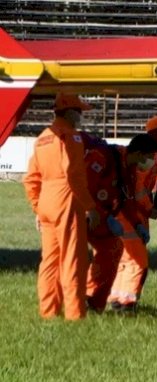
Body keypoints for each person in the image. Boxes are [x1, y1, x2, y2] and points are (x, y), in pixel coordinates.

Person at [23, 93, 100, 320]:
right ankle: (75, 314)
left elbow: (31, 179)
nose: (81, 116)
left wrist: (38, 208)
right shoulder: (72, 137)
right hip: (66, 199)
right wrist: (90, 206)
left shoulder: (42, 138)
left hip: (46, 200)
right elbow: (74, 175)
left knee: (50, 261)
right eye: (79, 111)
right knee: (73, 259)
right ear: (69, 112)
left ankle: (48, 312)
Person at [84, 134, 157, 313]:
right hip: (83, 212)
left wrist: (137, 223)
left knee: (111, 253)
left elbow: (127, 200)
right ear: (140, 153)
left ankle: (95, 302)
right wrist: (100, 214)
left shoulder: (129, 167)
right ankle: (79, 299)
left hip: (102, 216)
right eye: (150, 157)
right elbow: (83, 188)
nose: (151, 162)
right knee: (75, 259)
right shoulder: (103, 158)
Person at [109, 118, 157, 313]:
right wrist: (151, 213)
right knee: (137, 262)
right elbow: (137, 194)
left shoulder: (130, 157)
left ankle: (116, 298)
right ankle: (127, 302)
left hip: (125, 214)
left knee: (122, 260)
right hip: (128, 215)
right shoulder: (142, 160)